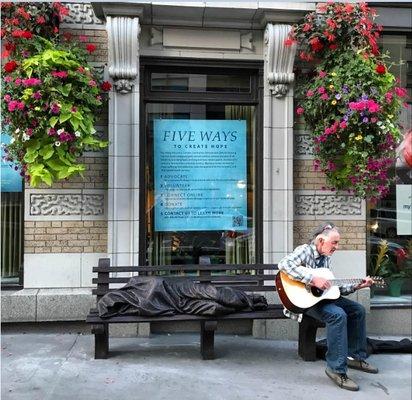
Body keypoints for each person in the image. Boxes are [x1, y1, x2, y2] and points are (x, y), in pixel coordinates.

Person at [278, 222, 378, 391]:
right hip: (303, 302)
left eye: (337, 243)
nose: (336, 247)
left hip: (321, 299)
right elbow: (284, 265)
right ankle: (336, 369)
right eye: (335, 243)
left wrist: (357, 286)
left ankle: (355, 357)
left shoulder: (325, 258)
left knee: (357, 310)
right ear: (320, 240)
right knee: (338, 315)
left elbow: (332, 289)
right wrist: (312, 279)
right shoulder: (305, 250)